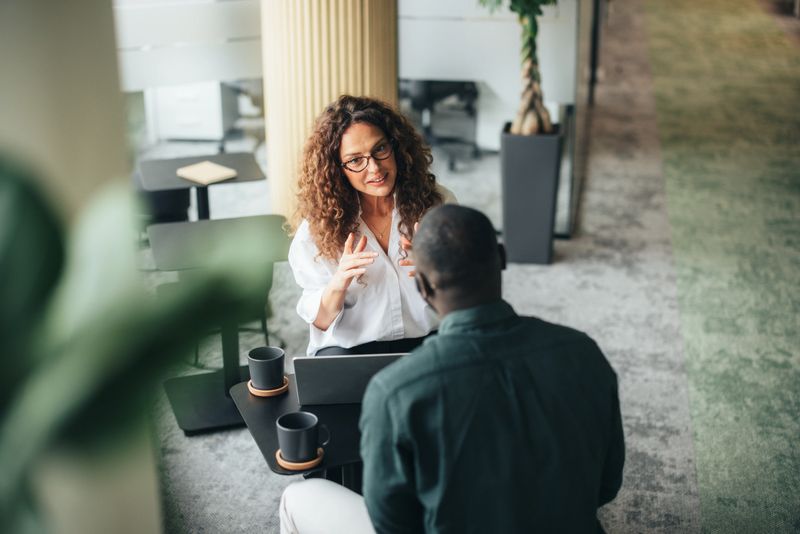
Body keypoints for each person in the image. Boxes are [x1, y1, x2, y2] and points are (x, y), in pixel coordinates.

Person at [280, 205, 625, 534]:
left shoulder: (395, 392)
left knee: (297, 498)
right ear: (502, 259)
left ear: (424, 287)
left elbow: (393, 524)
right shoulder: (583, 351)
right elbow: (606, 486)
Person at [288, 95, 456, 356]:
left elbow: (466, 296)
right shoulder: (315, 231)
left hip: (427, 342)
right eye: (356, 160)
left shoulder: (438, 205)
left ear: (396, 147)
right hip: (354, 349)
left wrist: (439, 269)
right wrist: (339, 281)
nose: (375, 168)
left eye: (379, 149)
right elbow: (320, 322)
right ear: (337, 169)